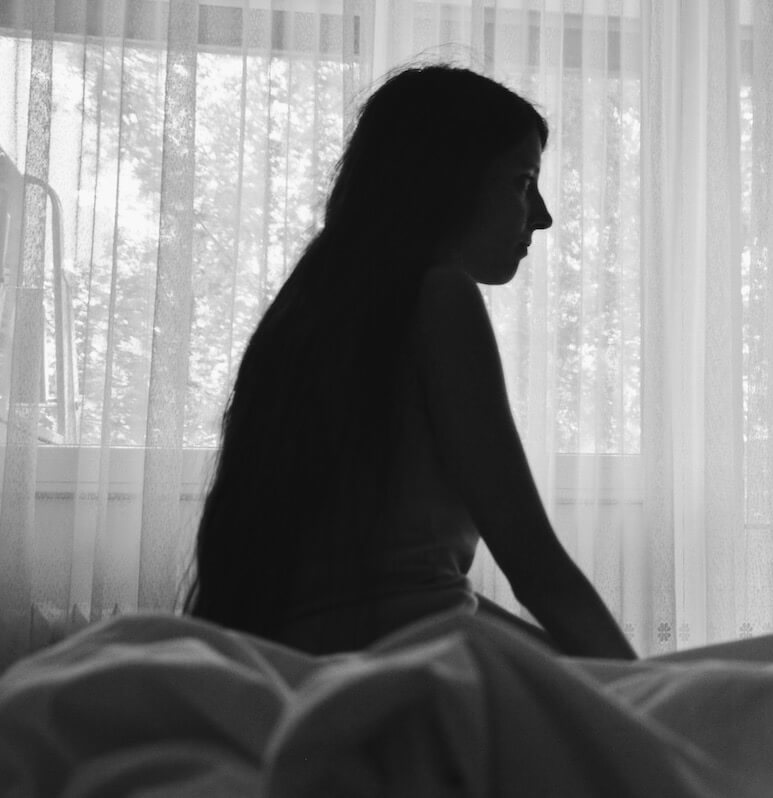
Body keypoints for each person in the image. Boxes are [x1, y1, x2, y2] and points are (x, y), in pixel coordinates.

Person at [182, 64, 637, 660]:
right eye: (523, 182)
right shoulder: (440, 297)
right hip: (411, 662)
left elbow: (422, 593)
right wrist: (647, 700)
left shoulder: (307, 308)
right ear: (448, 180)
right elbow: (532, 562)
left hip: (298, 657)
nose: (543, 215)